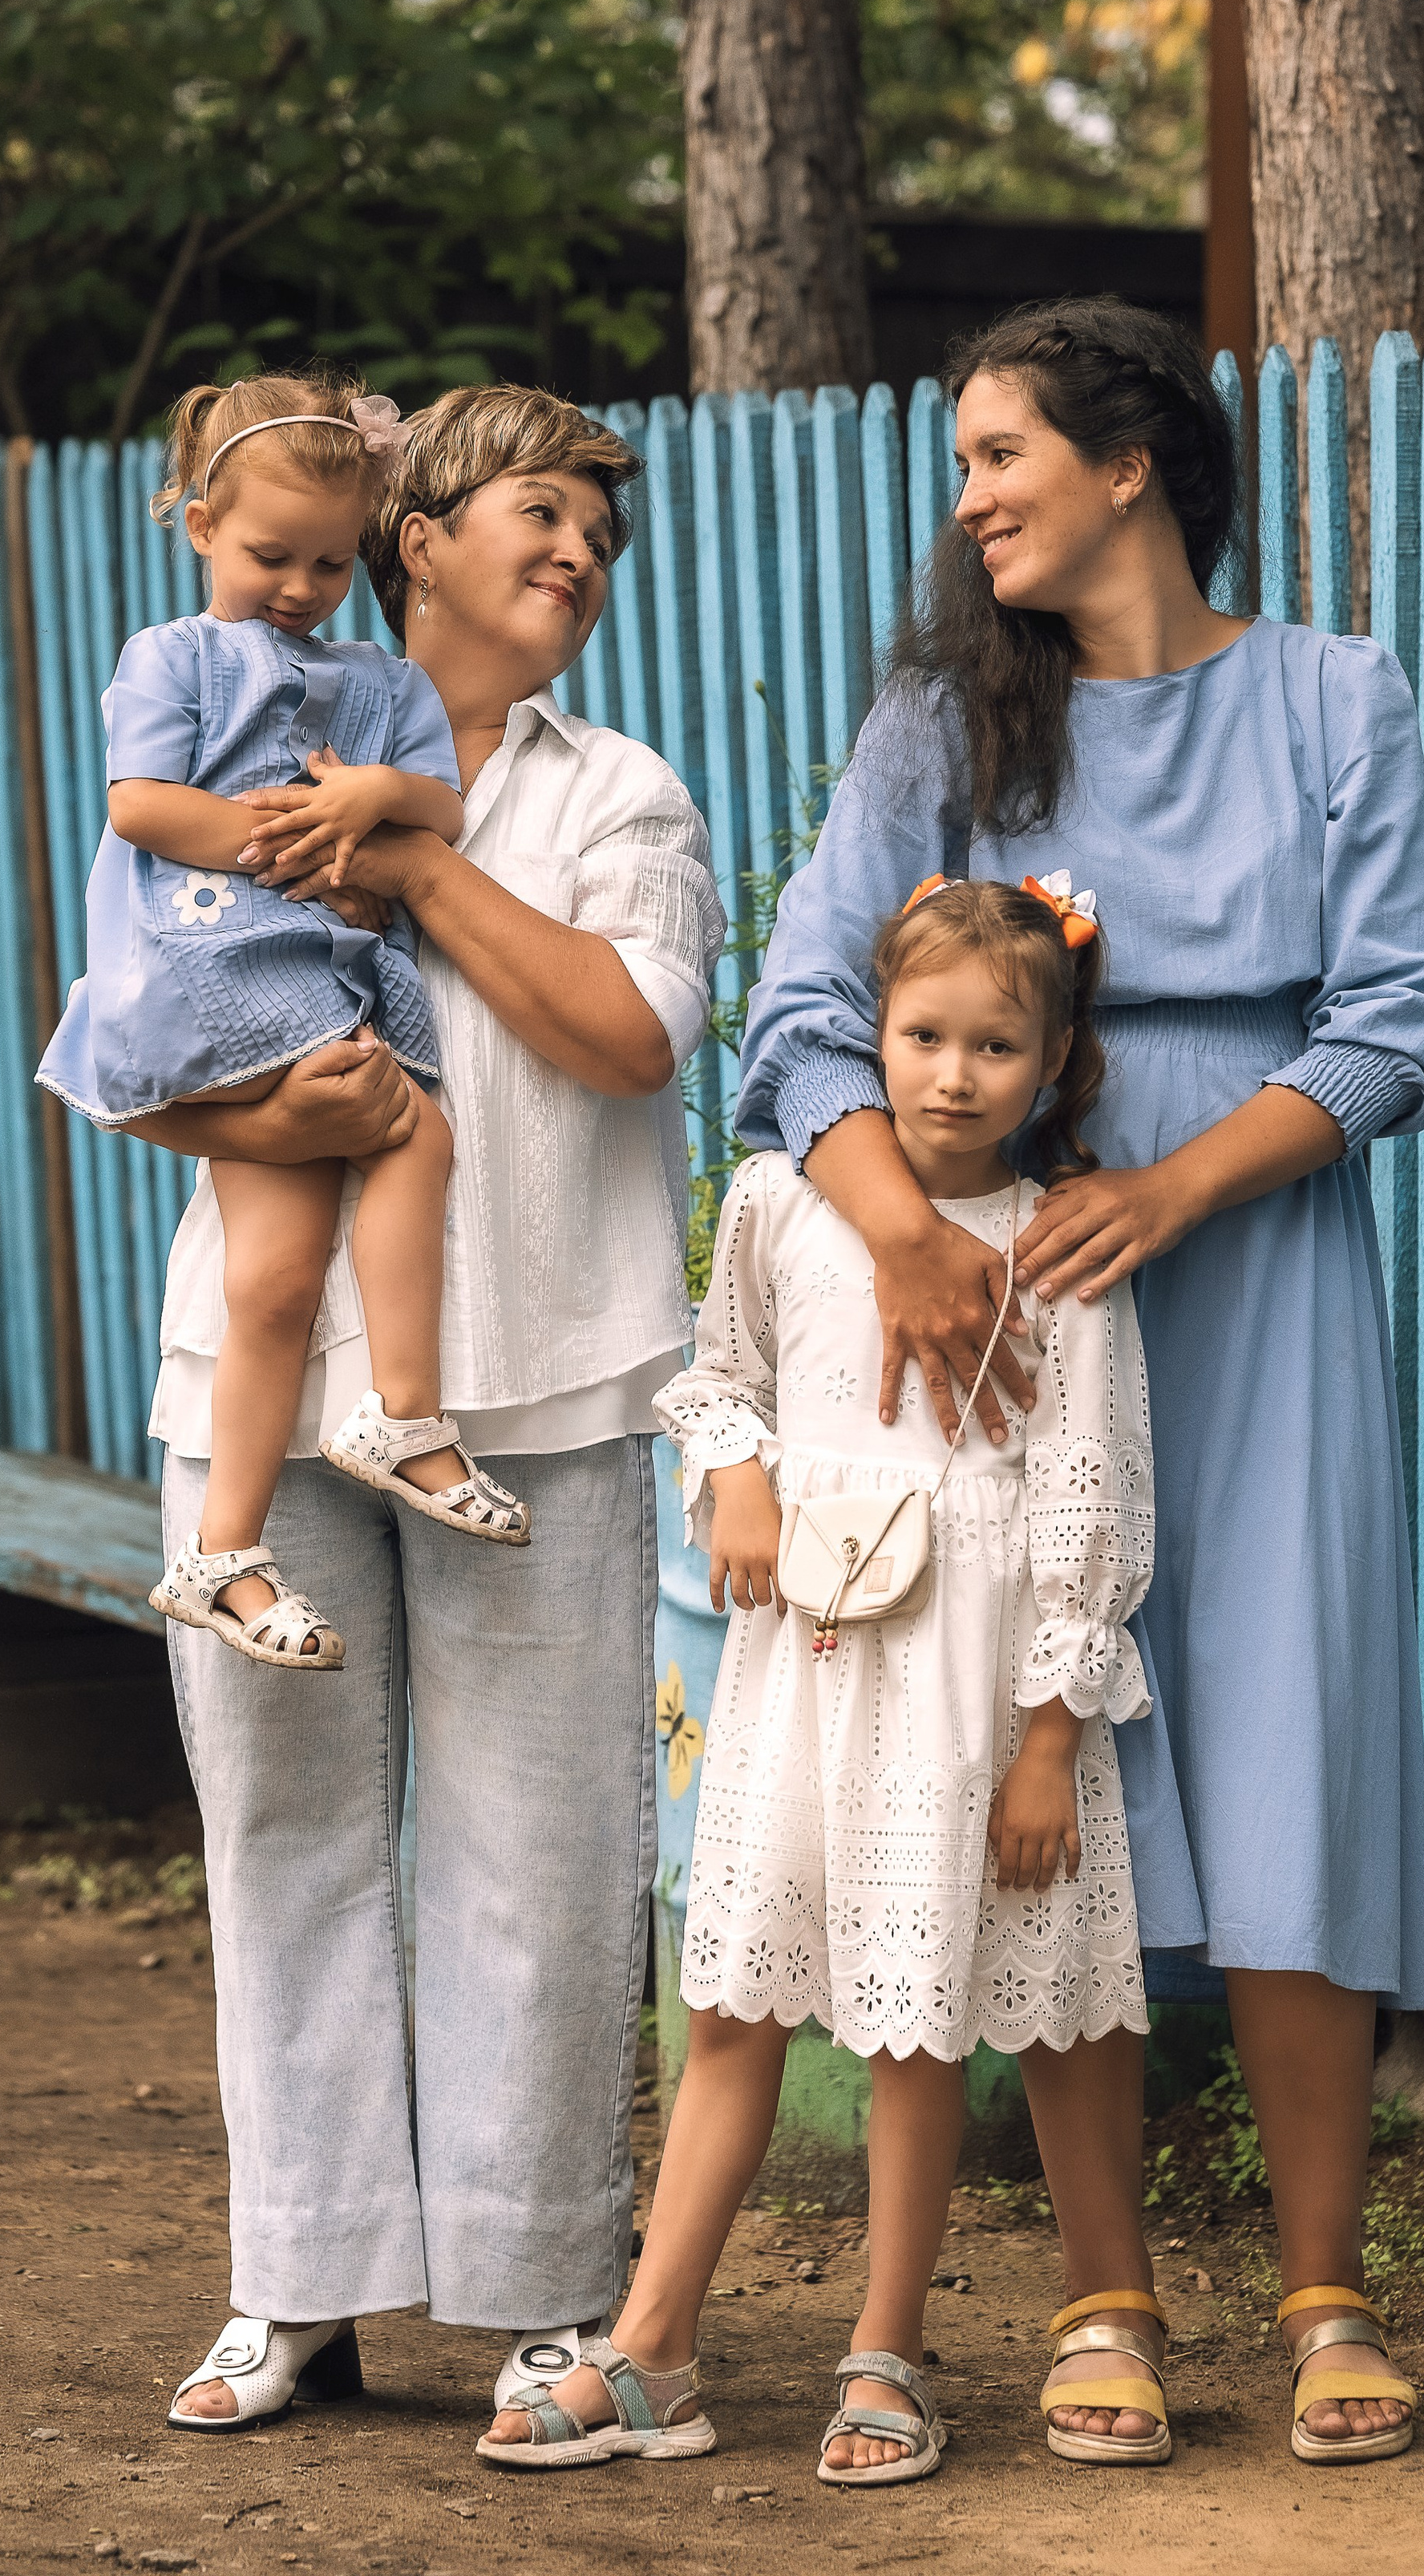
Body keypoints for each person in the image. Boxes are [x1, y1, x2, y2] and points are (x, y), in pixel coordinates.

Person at [732, 297, 1424, 2470]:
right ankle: (1104, 2297)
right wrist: (906, 1242)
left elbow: (1404, 1016)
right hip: (1005, 1317)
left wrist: (1180, 1184)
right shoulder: (945, 728)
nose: (970, 501)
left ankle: (1330, 2289)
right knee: (1041, 1776)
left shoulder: (1338, 694)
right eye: (965, 465)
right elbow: (791, 1024)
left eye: (997, 453)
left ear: (1130, 457)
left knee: (1294, 1729)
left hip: (1264, 1279)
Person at [116, 386, 726, 2432]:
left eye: (597, 536)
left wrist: (409, 845)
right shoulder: (227, 728)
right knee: (279, 1828)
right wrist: (246, 1096)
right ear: (419, 537)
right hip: (260, 1388)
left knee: (539, 1845)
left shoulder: (614, 792)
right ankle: (297, 2278)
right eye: (538, 515)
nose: (574, 556)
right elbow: (139, 1034)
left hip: (536, 1386)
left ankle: (545, 2274)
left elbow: (625, 1036)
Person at [481, 876, 1168, 2485]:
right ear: (870, 1036)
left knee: (913, 2027)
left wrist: (1046, 1741)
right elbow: (713, 1374)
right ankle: (651, 2348)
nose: (950, 1075)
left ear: (1054, 1063)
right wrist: (733, 1476)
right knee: (727, 2006)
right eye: (922, 1036)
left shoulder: (1061, 1249)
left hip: (968, 1695)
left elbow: (1092, 1508)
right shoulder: (782, 1207)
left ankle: (884, 2357)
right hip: (807, 1671)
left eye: (995, 1045)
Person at [38, 374, 527, 1684]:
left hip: (320, 964)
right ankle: (403, 1415)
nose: (300, 585)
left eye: (326, 559)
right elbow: (142, 807)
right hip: (221, 952)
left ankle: (223, 1555)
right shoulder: (175, 656)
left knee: (274, 1279)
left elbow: (442, 812)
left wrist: (374, 792)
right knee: (413, 1137)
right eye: (269, 555)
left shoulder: (383, 681)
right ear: (202, 525)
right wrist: (294, 843)